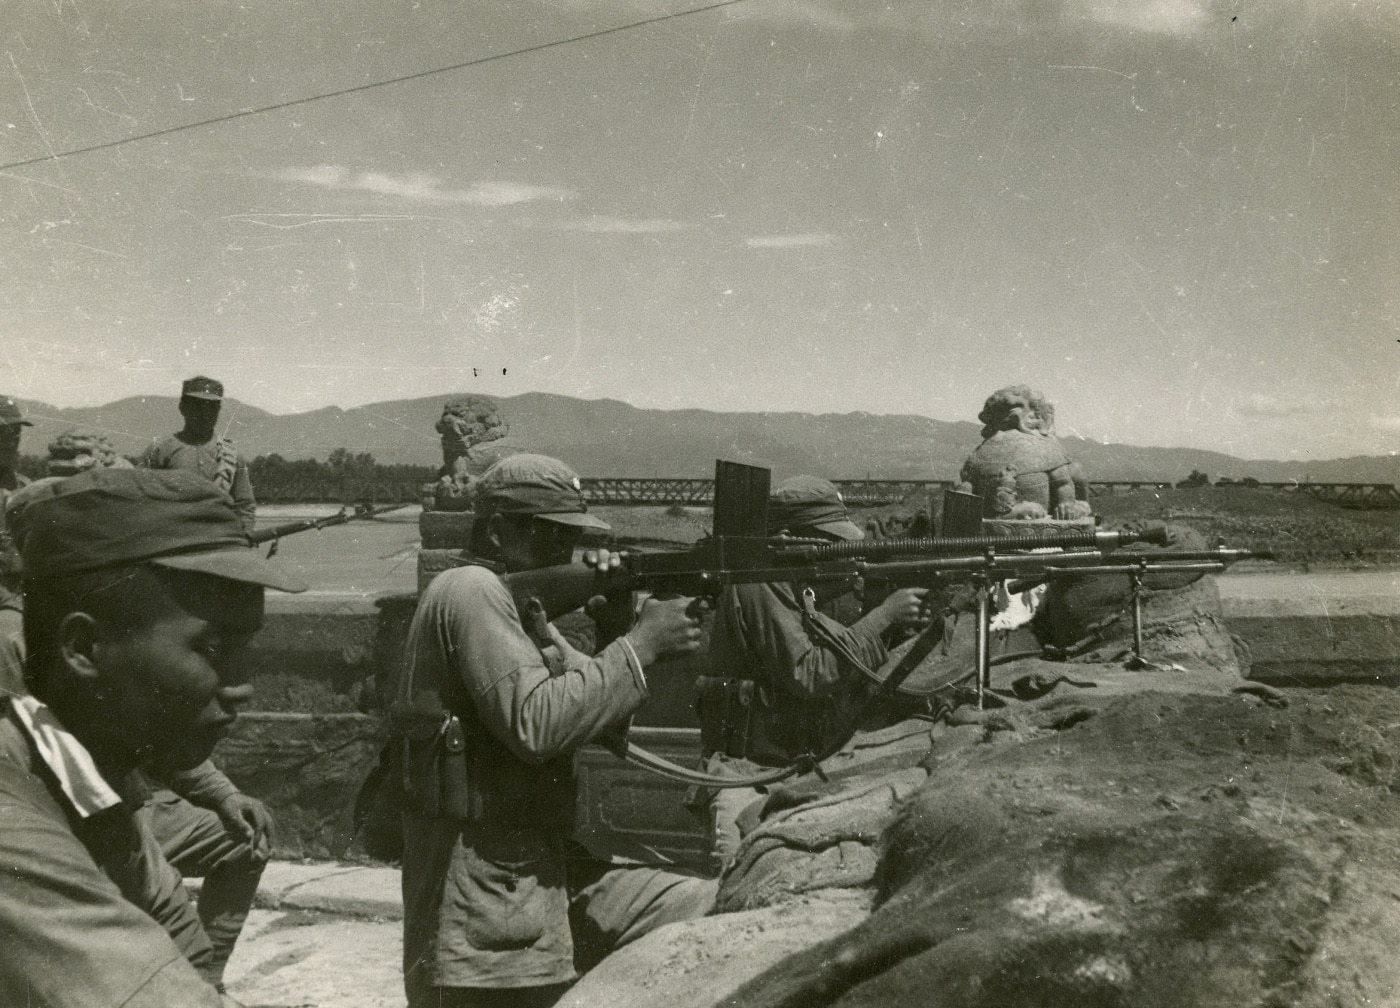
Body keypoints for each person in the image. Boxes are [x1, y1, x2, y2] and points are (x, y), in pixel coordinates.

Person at [397, 453, 716, 1008]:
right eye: (547, 536)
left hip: (539, 876)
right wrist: (641, 645)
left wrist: (615, 623)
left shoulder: (517, 614)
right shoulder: (468, 588)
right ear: (497, 532)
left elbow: (599, 730)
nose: (562, 554)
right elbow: (538, 725)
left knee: (711, 903)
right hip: (483, 905)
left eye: (568, 539)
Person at [0, 467, 307, 1007]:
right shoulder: (14, 821)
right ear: (84, 648)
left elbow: (180, 942)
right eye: (212, 650)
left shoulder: (87, 775)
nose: (243, 689)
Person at [700, 475, 932, 869]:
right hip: (748, 777)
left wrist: (894, 619)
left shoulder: (802, 582)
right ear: (787, 537)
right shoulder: (759, 581)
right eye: (825, 539)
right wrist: (884, 614)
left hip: (800, 770)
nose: (834, 551)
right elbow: (810, 673)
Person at [140, 376, 257, 535]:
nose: (205, 413)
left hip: (219, 539)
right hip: (171, 540)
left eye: (212, 407)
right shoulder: (160, 450)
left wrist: (245, 534)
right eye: (197, 406)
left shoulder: (231, 455)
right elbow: (140, 499)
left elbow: (245, 505)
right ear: (183, 407)